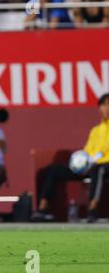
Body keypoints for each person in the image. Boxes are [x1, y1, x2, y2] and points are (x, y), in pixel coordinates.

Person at [32, 93, 109, 223]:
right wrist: (81, 161)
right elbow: (88, 151)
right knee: (55, 169)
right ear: (99, 108)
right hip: (89, 165)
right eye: (104, 105)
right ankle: (42, 209)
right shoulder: (95, 130)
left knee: (99, 169)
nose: (107, 108)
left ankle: (93, 210)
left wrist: (95, 161)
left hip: (104, 165)